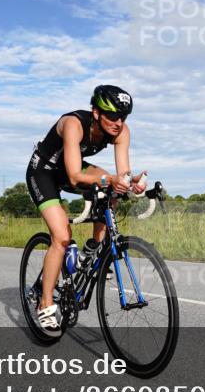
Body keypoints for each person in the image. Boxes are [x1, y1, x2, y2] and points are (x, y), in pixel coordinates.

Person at [25, 85, 146, 337]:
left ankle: (94, 249)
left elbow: (120, 175)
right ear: (95, 112)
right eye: (112, 116)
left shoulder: (121, 131)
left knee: (115, 190)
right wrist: (111, 179)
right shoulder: (74, 124)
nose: (118, 122)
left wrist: (130, 182)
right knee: (62, 237)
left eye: (123, 117)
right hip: (44, 172)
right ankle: (45, 303)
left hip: (73, 167)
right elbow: (74, 175)